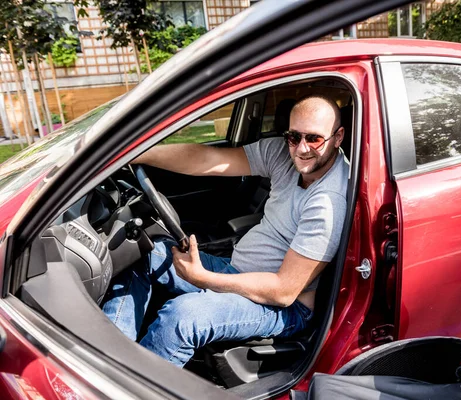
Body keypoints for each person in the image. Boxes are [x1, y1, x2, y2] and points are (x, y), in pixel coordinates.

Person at [102, 95, 349, 367]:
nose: (301, 149)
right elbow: (207, 159)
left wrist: (203, 278)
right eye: (293, 136)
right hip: (238, 269)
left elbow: (283, 291)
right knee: (142, 250)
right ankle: (112, 362)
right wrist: (135, 152)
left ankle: (131, 389)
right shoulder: (282, 154)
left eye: (314, 139)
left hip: (285, 308)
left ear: (338, 137)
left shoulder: (328, 202)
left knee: (184, 316)